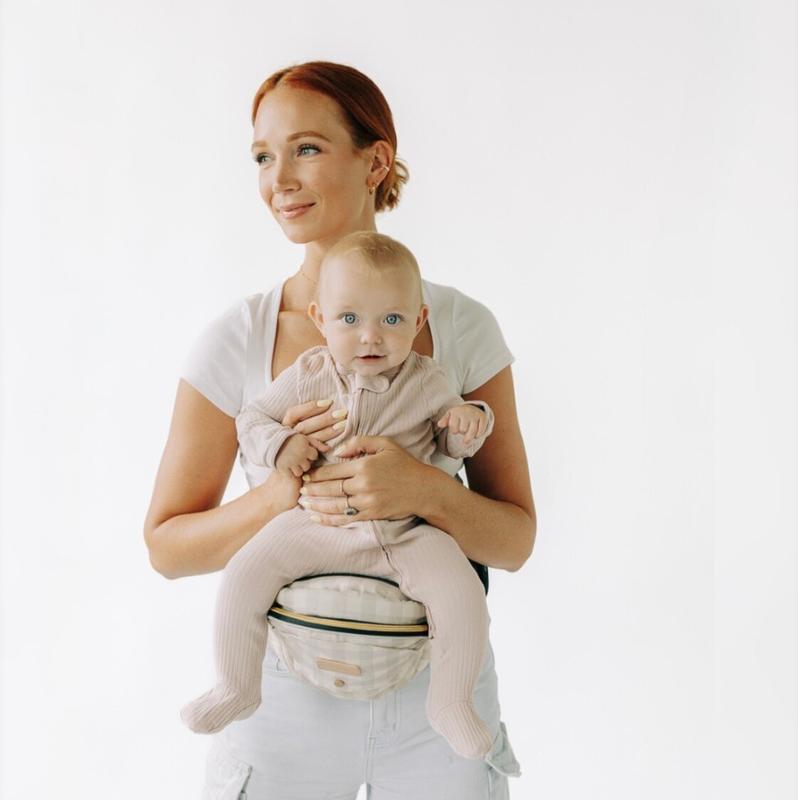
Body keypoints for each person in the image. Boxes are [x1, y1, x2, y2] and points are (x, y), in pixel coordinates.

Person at [144, 60, 536, 799]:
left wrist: (419, 488)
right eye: (263, 156)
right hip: (282, 702)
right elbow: (167, 548)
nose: (278, 179)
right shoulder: (239, 338)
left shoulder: (456, 327)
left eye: (308, 149)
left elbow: (514, 540)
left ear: (376, 160)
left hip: (434, 696)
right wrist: (282, 494)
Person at [180, 231, 496, 760]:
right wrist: (282, 446)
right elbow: (252, 419)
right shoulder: (308, 374)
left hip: (404, 531)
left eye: (391, 320)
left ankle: (451, 701)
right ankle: (236, 685)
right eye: (349, 320)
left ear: (418, 322)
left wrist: (470, 422)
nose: (370, 337)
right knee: (246, 572)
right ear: (320, 319)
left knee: (462, 594)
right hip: (317, 524)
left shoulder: (426, 378)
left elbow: (452, 435)